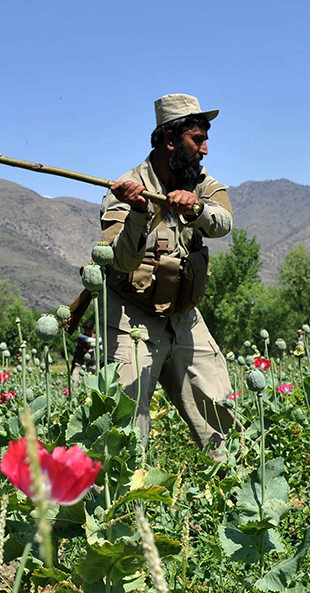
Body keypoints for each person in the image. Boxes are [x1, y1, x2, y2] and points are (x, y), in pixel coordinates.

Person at [102, 93, 234, 453]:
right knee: (125, 427)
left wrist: (196, 208)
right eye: (198, 139)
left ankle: (233, 491)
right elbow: (122, 262)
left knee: (220, 415)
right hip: (131, 318)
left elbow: (223, 222)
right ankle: (124, 503)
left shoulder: (201, 181)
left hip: (184, 317)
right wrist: (139, 213)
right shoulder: (124, 190)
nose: (205, 149)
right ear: (171, 140)